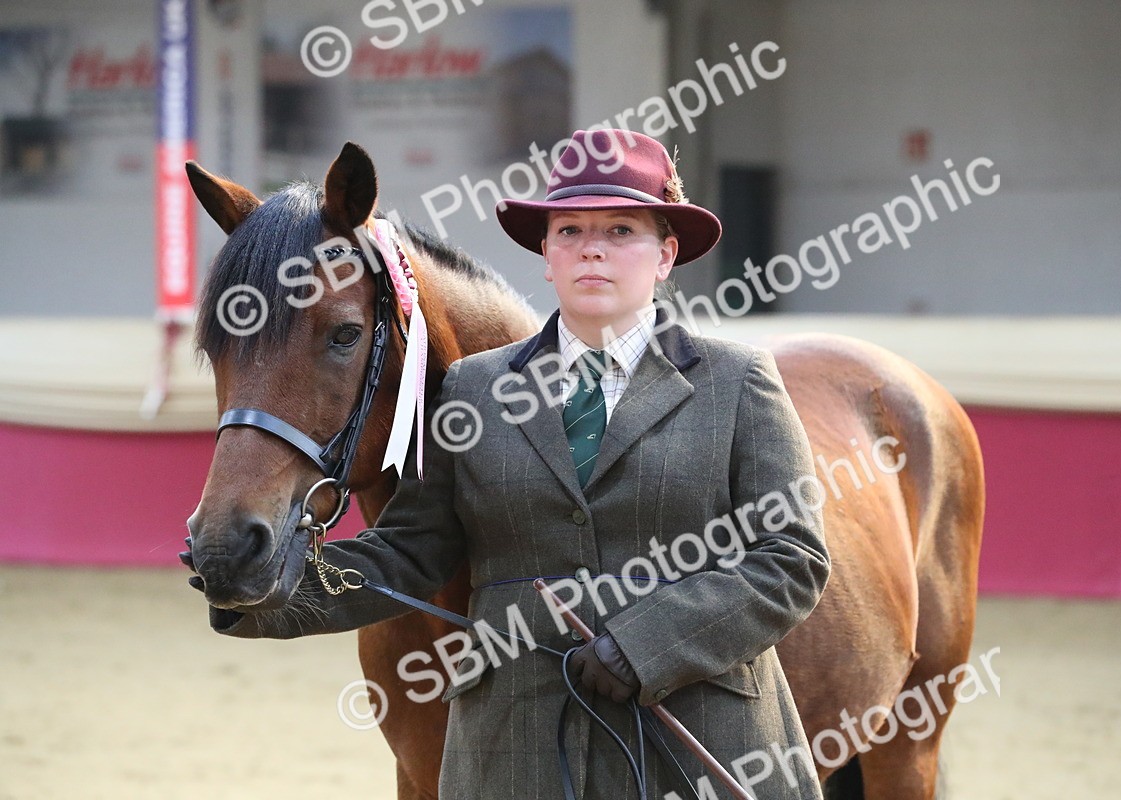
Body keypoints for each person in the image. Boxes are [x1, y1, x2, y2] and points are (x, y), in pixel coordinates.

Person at [204, 129, 830, 799]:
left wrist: (646, 644)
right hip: (516, 752)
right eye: (570, 231)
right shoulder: (473, 390)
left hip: (700, 743)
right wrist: (263, 592)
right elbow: (407, 552)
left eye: (621, 231)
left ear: (666, 254)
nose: (592, 248)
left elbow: (791, 559)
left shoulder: (738, 382)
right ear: (547, 255)